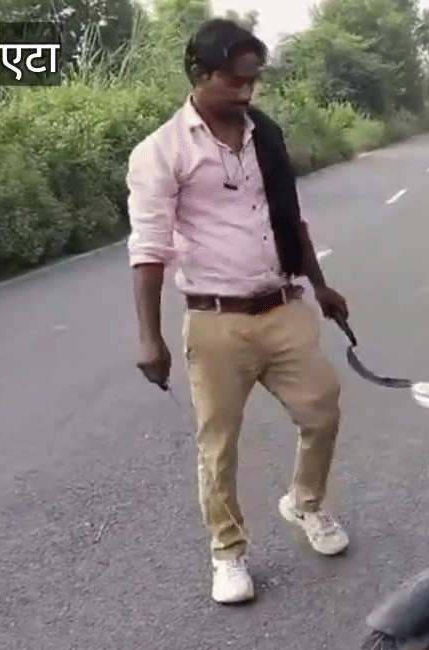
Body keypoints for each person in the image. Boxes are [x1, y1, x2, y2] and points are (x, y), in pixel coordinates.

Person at [127, 19, 353, 605]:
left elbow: (289, 218)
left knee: (322, 409)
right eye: (235, 80)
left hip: (282, 306)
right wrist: (150, 339)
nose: (247, 92)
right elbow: (148, 251)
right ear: (201, 75)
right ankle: (227, 553)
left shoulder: (266, 135)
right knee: (219, 445)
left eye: (253, 80)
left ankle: (305, 503)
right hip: (215, 318)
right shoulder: (162, 151)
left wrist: (320, 286)